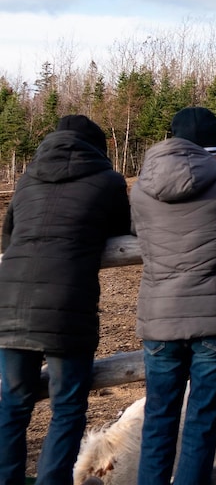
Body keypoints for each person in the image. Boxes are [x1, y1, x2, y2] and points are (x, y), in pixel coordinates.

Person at [132, 107, 216, 485]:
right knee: (202, 423)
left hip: (160, 319)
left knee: (159, 419)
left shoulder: (141, 189)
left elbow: (133, 227)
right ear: (213, 150)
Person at [0, 115, 130, 485]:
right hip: (66, 308)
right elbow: (121, 229)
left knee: (13, 405)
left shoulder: (26, 180)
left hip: (9, 303)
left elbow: (8, 241)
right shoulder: (108, 181)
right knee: (68, 407)